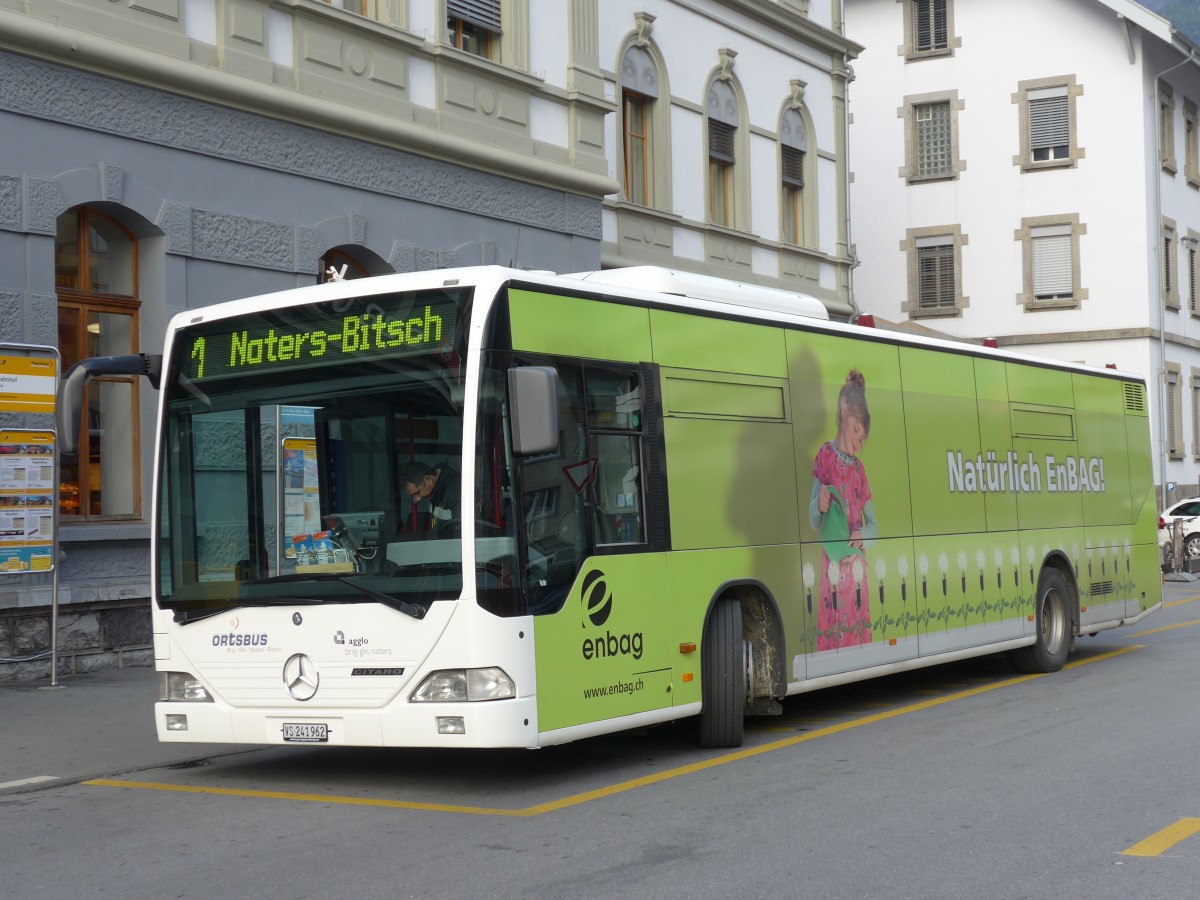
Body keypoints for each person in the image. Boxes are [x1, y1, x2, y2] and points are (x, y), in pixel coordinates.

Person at [808, 369, 878, 650]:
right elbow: (813, 521)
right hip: (833, 574)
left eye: (862, 440)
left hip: (856, 573)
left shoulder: (860, 471)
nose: (858, 445)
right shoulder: (824, 456)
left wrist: (863, 534)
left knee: (856, 646)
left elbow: (874, 526)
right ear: (844, 410)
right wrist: (819, 502)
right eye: (856, 433)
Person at [398, 460, 461, 533]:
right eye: (413, 495)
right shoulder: (435, 491)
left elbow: (460, 534)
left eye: (417, 492)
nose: (416, 500)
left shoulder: (457, 493)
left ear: (428, 480)